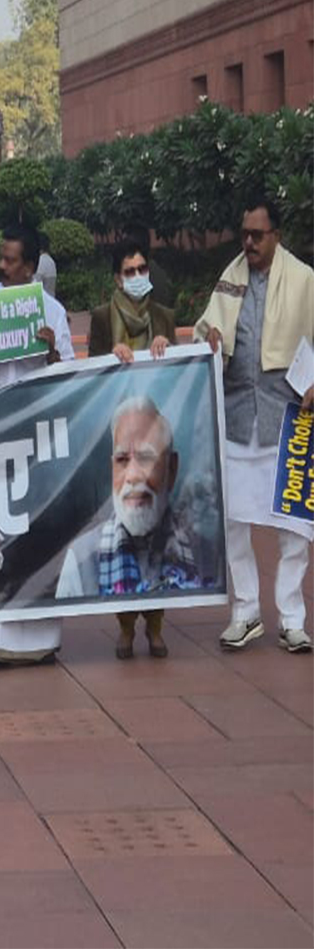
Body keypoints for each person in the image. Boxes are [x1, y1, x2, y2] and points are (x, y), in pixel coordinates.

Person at [0, 225, 76, 667]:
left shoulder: (52, 313)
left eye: (10, 261)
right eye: (0, 259)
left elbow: (70, 379)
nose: (1, 267)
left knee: (36, 532)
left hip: (36, 439)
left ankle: (37, 639)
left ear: (30, 267)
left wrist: (51, 355)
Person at [193, 197, 314, 654]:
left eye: (257, 235)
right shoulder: (231, 278)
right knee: (233, 520)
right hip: (238, 415)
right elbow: (205, 327)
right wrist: (211, 338)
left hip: (289, 419)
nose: (248, 242)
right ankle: (245, 612)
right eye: (244, 234)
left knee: (293, 527)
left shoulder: (304, 280)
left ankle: (292, 619)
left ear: (276, 236)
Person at [88, 240, 177, 658]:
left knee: (157, 533)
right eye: (130, 271)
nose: (138, 277)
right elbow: (91, 372)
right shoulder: (103, 319)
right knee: (123, 533)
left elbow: (183, 370)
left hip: (155, 438)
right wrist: (111, 355)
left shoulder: (163, 316)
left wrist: (166, 349)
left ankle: (156, 626)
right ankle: (125, 626)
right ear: (117, 278)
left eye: (143, 269)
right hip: (122, 436)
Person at [57, 396, 207, 602]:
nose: (133, 475)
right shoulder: (81, 560)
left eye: (146, 458)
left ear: (171, 469)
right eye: (122, 460)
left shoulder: (205, 554)